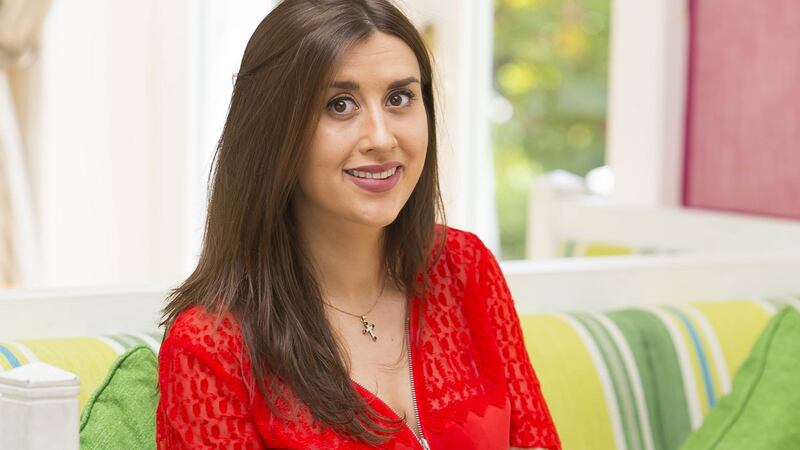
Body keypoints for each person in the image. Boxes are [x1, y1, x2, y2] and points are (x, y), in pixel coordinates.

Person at [156, 0, 561, 448]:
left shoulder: (464, 268)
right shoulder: (210, 349)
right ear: (272, 130)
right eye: (340, 104)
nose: (382, 138)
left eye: (399, 98)